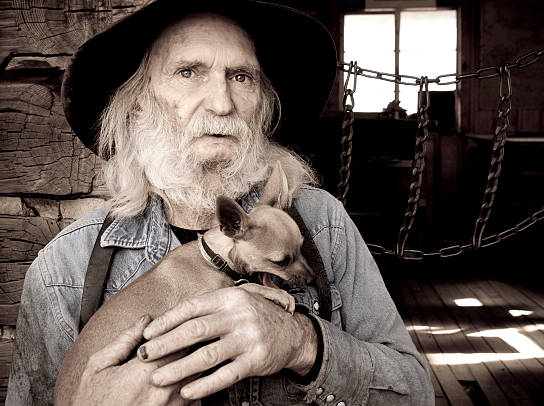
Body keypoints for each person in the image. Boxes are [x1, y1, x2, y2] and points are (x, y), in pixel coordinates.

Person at [7, 0, 434, 405]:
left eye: (241, 77)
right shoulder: (65, 267)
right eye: (188, 72)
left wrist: (303, 344)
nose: (222, 103)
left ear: (262, 108)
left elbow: (416, 393)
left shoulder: (323, 224)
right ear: (137, 105)